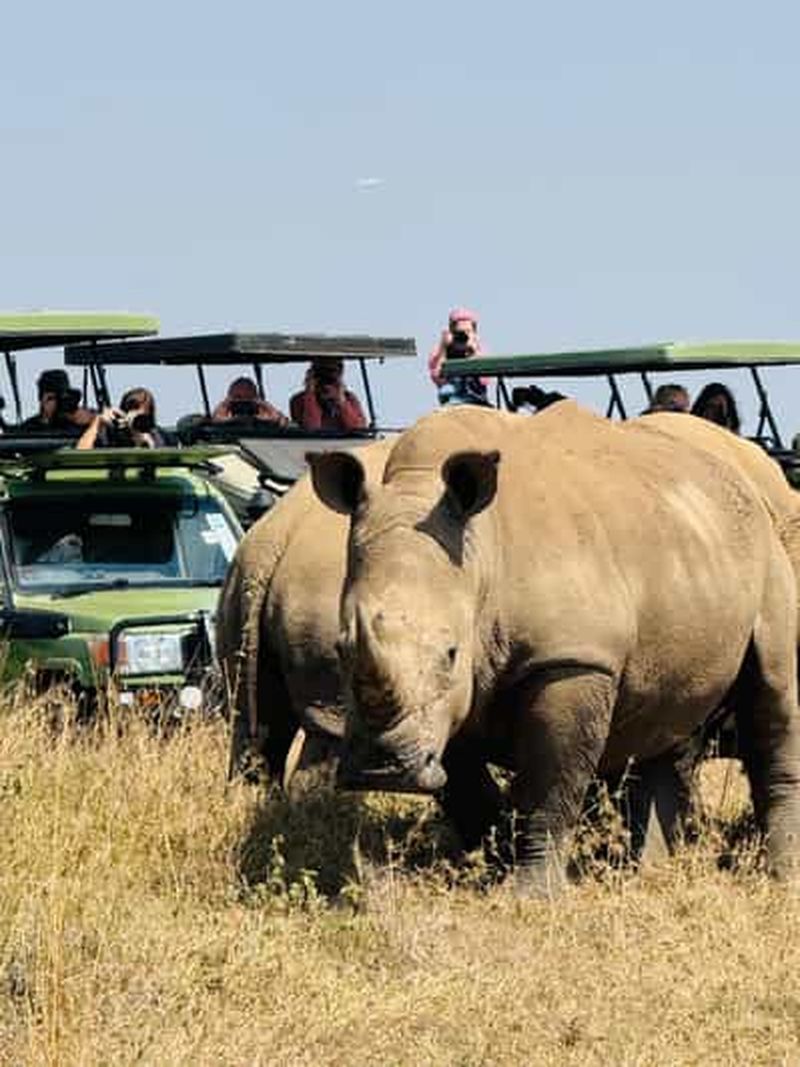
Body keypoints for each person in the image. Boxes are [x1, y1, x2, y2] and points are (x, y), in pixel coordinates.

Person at [428, 307, 491, 407]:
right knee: (446, 390)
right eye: (459, 332)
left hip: (476, 396)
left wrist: (473, 352)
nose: (463, 336)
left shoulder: (479, 349)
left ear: (474, 333)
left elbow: (485, 381)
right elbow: (438, 379)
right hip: (452, 397)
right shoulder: (442, 350)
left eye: (468, 331)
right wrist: (443, 347)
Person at [289, 358, 367, 431]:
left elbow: (359, 430)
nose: (326, 382)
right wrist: (310, 394)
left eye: (331, 375)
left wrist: (342, 402)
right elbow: (311, 429)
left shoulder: (349, 398)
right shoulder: (299, 400)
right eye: (321, 373)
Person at [77, 387, 165, 450]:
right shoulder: (111, 432)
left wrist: (147, 444)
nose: (138, 421)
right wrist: (98, 422)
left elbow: (161, 463)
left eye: (143, 418)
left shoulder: (153, 434)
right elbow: (81, 453)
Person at [21, 369, 94, 436]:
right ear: (42, 401)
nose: (57, 403)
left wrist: (91, 420)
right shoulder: (28, 429)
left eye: (62, 398)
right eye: (51, 398)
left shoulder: (77, 422)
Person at [212, 377, 288, 427]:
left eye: (248, 397)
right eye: (238, 397)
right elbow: (216, 420)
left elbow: (278, 419)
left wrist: (264, 405)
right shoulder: (225, 415)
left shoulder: (264, 415)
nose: (243, 402)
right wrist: (226, 405)